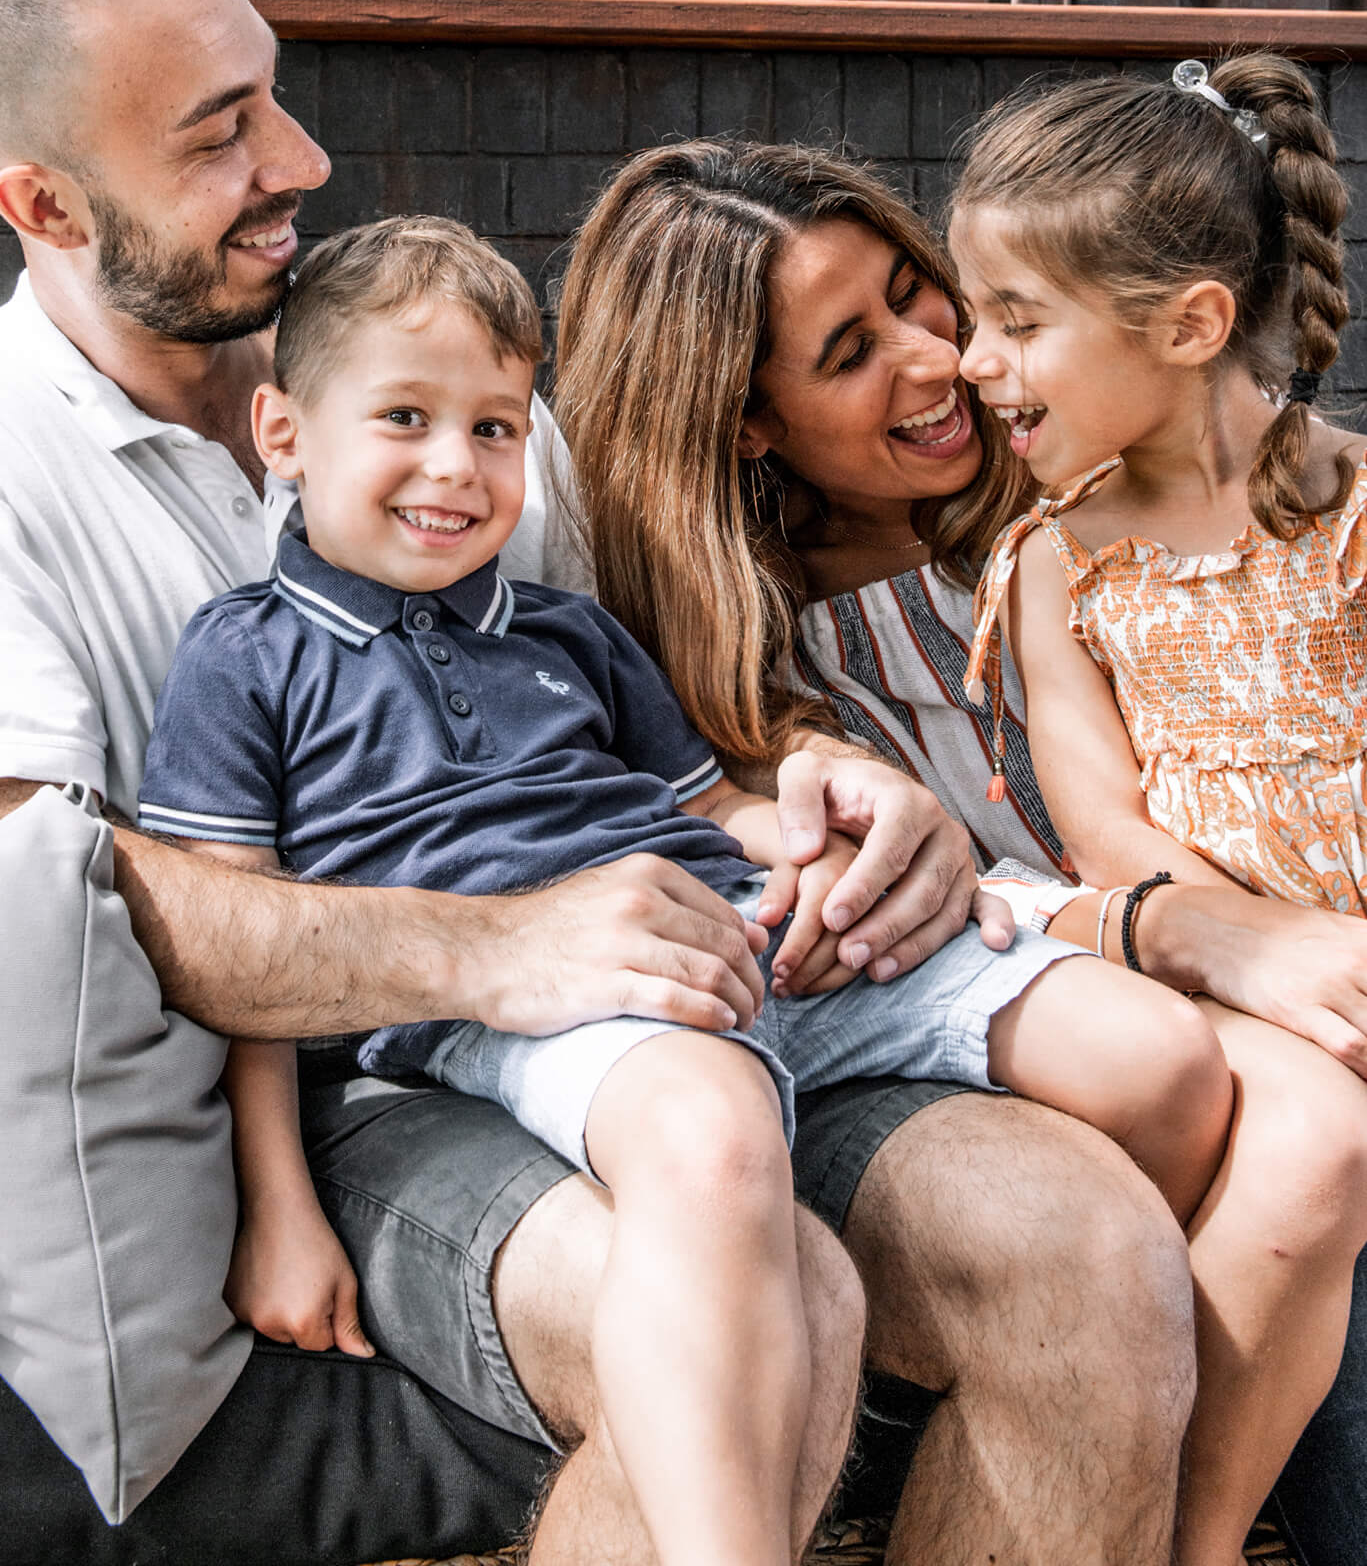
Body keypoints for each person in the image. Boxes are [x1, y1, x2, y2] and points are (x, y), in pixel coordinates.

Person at [0, 0, 1194, 1566]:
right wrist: (508, 948)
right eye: (220, 135)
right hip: (369, 1090)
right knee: (785, 1304)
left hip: (681, 997)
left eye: (269, 93)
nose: (301, 153)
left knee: (1089, 1252)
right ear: (42, 201)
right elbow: (126, 896)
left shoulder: (449, 388)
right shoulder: (21, 486)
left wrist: (842, 790)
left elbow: (649, 744)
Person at [137, 214, 1238, 1566]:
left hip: (741, 940)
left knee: (1148, 1050)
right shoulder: (244, 656)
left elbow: (705, 807)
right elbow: (235, 950)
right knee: (709, 1125)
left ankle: (940, 1435)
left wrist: (823, 819)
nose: (454, 466)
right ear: (282, 432)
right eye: (404, 418)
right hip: (526, 1004)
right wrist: (279, 1206)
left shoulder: (564, 631)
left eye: (493, 428)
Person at [553, 134, 1367, 1566]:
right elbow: (927, 928)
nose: (939, 361)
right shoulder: (745, 683)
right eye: (849, 350)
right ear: (746, 422)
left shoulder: (1124, 503)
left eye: (922, 298)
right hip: (1130, 1051)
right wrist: (1172, 929)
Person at [951, 55, 1364, 930]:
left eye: (1018, 322)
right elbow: (1103, 835)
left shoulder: (1352, 512)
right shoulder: (1057, 563)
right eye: (972, 316)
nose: (970, 361)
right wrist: (1291, 957)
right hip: (1235, 979)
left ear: (1187, 326)